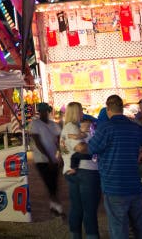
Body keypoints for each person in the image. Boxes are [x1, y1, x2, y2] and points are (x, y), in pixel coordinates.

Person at [88, 94, 142, 239]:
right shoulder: (134, 127)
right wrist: (141, 154)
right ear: (122, 109)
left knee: (119, 228)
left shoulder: (105, 129)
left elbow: (92, 149)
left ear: (108, 110)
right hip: (134, 185)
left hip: (114, 186)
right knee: (140, 226)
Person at [59, 102, 100, 239]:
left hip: (72, 171)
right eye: (81, 111)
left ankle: (75, 235)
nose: (82, 114)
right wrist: (96, 146)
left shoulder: (68, 128)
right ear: (76, 112)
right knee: (89, 209)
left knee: (77, 208)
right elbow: (80, 148)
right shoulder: (71, 128)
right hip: (85, 171)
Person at [29, 102, 63, 215]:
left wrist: (60, 156)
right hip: (41, 160)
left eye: (45, 111)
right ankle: (56, 206)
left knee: (54, 183)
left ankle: (54, 205)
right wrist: (48, 157)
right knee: (49, 182)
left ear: (48, 112)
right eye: (41, 111)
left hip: (52, 159)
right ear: (39, 112)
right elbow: (38, 142)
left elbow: (59, 141)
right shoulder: (35, 124)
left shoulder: (54, 124)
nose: (43, 113)